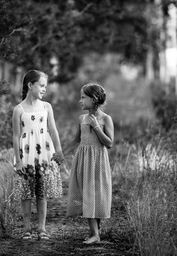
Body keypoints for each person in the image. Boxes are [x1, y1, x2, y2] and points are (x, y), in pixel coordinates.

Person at [12, 69, 64, 241]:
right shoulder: (19, 110)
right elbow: (16, 136)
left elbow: (53, 130)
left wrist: (59, 150)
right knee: (26, 193)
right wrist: (18, 161)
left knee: (42, 192)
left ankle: (42, 228)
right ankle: (27, 229)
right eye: (41, 85)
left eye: (45, 86)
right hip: (26, 155)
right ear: (30, 85)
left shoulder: (46, 107)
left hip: (43, 153)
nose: (44, 89)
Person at [66, 82, 114, 244]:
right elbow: (76, 140)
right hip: (84, 159)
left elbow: (109, 143)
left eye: (83, 97)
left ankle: (96, 232)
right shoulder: (81, 118)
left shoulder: (106, 119)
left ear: (94, 99)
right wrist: (60, 154)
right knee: (88, 193)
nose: (80, 101)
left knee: (98, 194)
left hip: (98, 161)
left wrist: (97, 127)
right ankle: (94, 233)